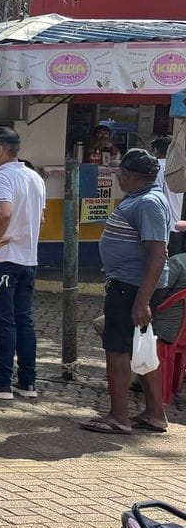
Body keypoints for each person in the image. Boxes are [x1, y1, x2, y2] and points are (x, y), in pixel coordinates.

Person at [87, 149, 173, 435]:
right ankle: (155, 414)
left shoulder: (148, 202)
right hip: (130, 285)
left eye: (120, 173)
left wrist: (142, 301)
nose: (118, 177)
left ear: (129, 175)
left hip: (131, 287)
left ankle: (119, 416)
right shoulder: (141, 197)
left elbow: (157, 254)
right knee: (140, 347)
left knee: (118, 348)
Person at [0, 127, 46, 402]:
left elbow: (4, 212)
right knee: (23, 321)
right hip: (27, 258)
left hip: (2, 260)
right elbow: (40, 219)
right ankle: (27, 381)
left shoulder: (2, 176)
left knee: (4, 323)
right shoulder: (34, 177)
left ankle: (1, 380)